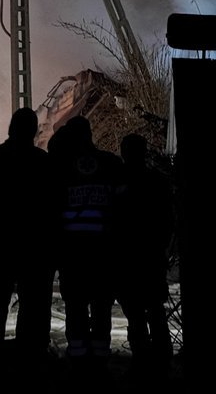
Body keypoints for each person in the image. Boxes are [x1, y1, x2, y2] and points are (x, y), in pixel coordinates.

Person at [0, 107, 57, 376]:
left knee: (0, 298)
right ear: (33, 131)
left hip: (6, 240)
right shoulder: (42, 162)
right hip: (35, 243)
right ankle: (32, 352)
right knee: (35, 300)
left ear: (10, 128)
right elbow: (55, 202)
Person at [52, 115, 123, 382]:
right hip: (104, 253)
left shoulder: (62, 168)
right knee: (102, 307)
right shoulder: (111, 164)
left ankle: (79, 361)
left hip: (74, 254)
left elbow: (53, 212)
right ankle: (101, 360)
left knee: (76, 307)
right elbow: (124, 210)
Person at [114, 133, 174, 383]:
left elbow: (114, 222)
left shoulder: (118, 183)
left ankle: (141, 361)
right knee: (155, 311)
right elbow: (168, 220)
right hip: (151, 257)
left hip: (129, 259)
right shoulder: (157, 182)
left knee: (136, 314)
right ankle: (163, 362)